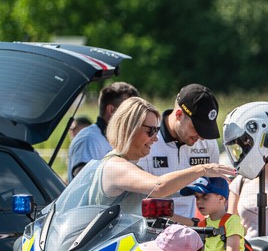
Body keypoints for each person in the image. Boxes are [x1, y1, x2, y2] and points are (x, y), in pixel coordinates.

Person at [75, 97, 235, 217]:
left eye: (157, 130)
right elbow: (159, 187)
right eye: (150, 131)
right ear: (128, 129)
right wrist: (203, 169)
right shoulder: (115, 166)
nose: (155, 138)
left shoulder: (126, 164)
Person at [137, 84, 222, 226]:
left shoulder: (208, 143)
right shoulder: (148, 140)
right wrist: (190, 224)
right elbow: (138, 202)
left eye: (206, 130)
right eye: (198, 128)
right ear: (179, 115)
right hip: (150, 230)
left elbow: (215, 194)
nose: (202, 136)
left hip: (194, 230)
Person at [67, 81, 139, 180]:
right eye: (129, 111)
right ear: (111, 110)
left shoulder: (114, 138)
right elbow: (84, 180)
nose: (135, 117)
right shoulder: (89, 139)